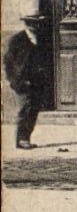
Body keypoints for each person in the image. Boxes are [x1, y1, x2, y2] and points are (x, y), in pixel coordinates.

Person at [4, 12, 48, 149]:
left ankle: (26, 137)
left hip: (36, 81)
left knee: (33, 108)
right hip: (22, 81)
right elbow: (8, 62)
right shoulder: (17, 40)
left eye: (37, 23)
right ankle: (21, 139)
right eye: (33, 23)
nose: (36, 26)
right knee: (25, 109)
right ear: (27, 24)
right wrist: (16, 80)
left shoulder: (40, 39)